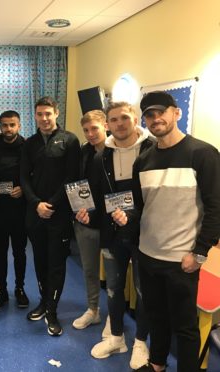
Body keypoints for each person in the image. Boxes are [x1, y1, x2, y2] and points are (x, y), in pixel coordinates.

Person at [130, 91, 220, 372]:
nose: (155, 119)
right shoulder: (142, 160)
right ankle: (157, 364)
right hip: (148, 254)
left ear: (176, 113)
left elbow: (216, 207)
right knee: (156, 317)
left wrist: (200, 253)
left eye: (161, 112)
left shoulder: (203, 153)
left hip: (183, 260)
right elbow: (140, 207)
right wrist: (125, 217)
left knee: (185, 327)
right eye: (149, 115)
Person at [76, 101, 152, 370]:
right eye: (114, 120)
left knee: (144, 290)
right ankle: (117, 337)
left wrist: (132, 216)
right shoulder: (101, 157)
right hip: (112, 233)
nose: (120, 124)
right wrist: (88, 215)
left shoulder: (153, 150)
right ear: (108, 124)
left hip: (147, 234)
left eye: (124, 118)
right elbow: (99, 198)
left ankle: (141, 342)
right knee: (114, 288)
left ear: (134, 119)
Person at [20, 96, 81, 336]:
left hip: (59, 214)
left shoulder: (70, 140)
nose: (44, 118)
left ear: (56, 113)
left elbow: (72, 177)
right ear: (35, 116)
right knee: (39, 260)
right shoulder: (30, 143)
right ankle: (43, 303)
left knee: (56, 263)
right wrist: (36, 204)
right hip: (35, 214)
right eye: (40, 114)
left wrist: (51, 204)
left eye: (48, 114)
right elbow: (24, 178)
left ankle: (53, 311)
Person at [0, 110, 29, 311]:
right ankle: (1, 291)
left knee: (20, 252)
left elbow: (34, 176)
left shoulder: (28, 147)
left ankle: (19, 289)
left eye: (12, 125)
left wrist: (24, 190)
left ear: (19, 126)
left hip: (20, 209)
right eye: (4, 125)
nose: (8, 129)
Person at [71, 110, 107, 330]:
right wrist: (79, 210)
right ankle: (93, 310)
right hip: (85, 220)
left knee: (114, 276)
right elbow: (77, 185)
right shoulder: (84, 152)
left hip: (112, 222)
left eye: (94, 128)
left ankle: (116, 316)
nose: (90, 134)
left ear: (105, 126)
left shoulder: (117, 151)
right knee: (89, 270)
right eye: (86, 130)